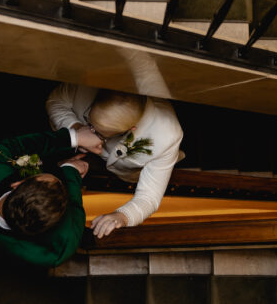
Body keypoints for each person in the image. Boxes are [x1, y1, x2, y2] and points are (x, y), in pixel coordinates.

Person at [46, 83, 183, 238]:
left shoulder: (167, 137)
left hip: (126, 173)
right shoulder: (84, 84)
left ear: (131, 129)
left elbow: (149, 197)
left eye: (102, 134)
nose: (94, 135)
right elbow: (55, 101)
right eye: (91, 125)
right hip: (70, 148)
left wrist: (123, 216)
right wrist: (77, 129)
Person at [0, 126, 102, 267]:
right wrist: (71, 170)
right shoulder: (56, 251)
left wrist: (74, 137)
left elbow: (9, 147)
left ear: (17, 184)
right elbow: (75, 207)